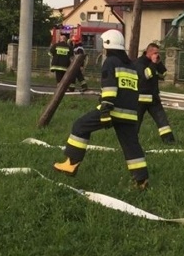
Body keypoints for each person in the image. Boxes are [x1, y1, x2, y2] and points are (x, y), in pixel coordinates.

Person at [53, 29, 149, 189]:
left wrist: (105, 110)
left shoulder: (110, 62)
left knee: (80, 126)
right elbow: (133, 90)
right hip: (130, 113)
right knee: (131, 145)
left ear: (108, 45)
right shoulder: (131, 66)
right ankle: (141, 180)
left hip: (112, 109)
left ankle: (71, 163)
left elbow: (110, 88)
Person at [135, 42, 175, 144]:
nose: (157, 54)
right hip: (140, 99)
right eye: (155, 53)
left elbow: (164, 73)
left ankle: (169, 141)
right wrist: (153, 63)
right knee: (136, 122)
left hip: (153, 98)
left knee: (163, 121)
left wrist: (158, 62)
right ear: (149, 52)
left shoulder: (155, 62)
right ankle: (131, 142)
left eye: (158, 53)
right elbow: (146, 75)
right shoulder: (139, 63)